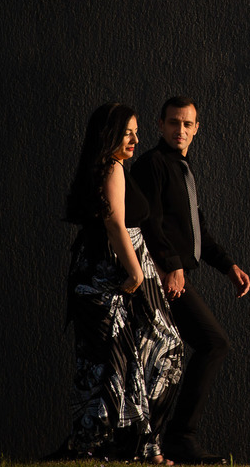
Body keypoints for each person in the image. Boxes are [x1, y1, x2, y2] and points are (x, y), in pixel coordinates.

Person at [61, 103, 184, 463]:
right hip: (115, 272)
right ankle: (133, 444)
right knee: (159, 349)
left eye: (135, 131)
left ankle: (124, 444)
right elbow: (116, 225)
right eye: (127, 132)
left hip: (103, 270)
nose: (135, 138)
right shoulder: (112, 168)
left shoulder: (102, 167)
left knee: (118, 360)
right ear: (109, 135)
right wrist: (136, 272)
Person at [134, 96, 250, 464]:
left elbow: (197, 231)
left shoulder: (182, 169)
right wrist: (172, 265)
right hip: (157, 278)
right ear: (160, 124)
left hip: (173, 276)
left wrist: (228, 265)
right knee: (209, 343)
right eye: (173, 123)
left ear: (196, 128)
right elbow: (147, 222)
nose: (179, 130)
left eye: (187, 124)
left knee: (170, 356)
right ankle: (174, 439)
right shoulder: (152, 164)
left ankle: (165, 441)